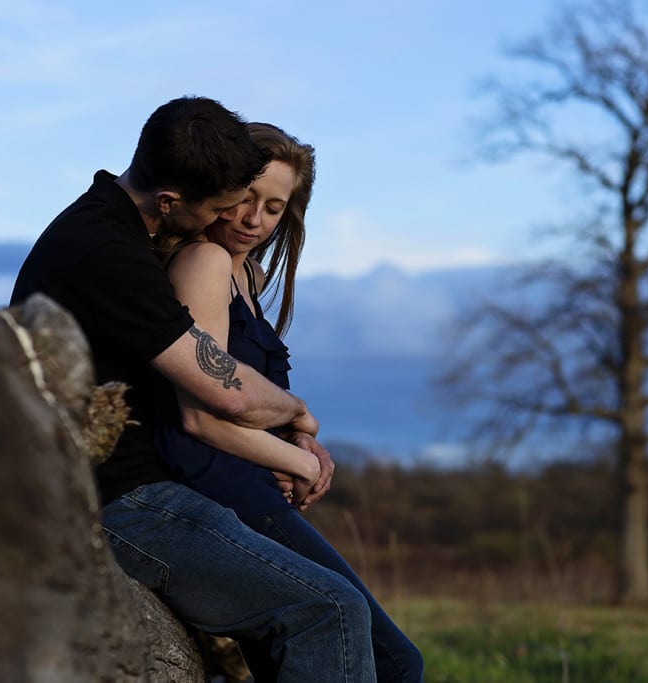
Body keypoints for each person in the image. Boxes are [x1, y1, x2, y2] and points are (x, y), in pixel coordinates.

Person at [10, 96, 377, 682]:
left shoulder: (110, 228)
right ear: (170, 201)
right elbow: (222, 390)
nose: (231, 221)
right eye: (220, 207)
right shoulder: (109, 253)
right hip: (114, 501)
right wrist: (298, 413)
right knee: (327, 610)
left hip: (133, 487)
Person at [154, 122, 424, 683]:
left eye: (274, 207)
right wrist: (298, 459)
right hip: (217, 490)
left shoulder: (246, 275)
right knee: (394, 662)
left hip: (249, 488)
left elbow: (255, 396)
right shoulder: (203, 262)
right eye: (246, 199)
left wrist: (295, 436)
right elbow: (204, 413)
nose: (255, 220)